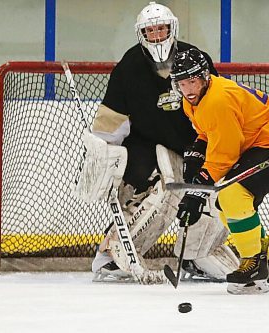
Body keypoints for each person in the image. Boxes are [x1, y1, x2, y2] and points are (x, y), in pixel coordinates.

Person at [82, 2, 238, 283]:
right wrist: (101, 155)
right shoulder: (129, 67)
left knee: (205, 194)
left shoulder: (195, 59)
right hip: (145, 143)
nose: (156, 35)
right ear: (141, 33)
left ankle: (196, 253)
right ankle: (111, 255)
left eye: (161, 28)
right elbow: (112, 120)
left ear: (172, 28)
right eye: (150, 30)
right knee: (145, 189)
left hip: (193, 142)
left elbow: (216, 105)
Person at [169, 48, 269, 294]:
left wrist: (197, 192)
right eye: (182, 83)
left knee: (232, 196)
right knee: (226, 204)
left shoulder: (217, 100)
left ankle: (254, 266)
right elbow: (208, 130)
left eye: (192, 81)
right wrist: (198, 150)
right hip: (258, 142)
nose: (187, 89)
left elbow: (224, 157)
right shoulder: (194, 100)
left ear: (204, 77)